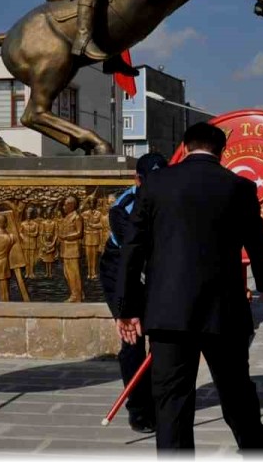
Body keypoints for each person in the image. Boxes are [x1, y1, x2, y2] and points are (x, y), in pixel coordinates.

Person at [116, 123, 263, 451]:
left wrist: (127, 308)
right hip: (224, 312)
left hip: (167, 313)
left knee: (172, 402)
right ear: (222, 151)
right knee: (237, 394)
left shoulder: (156, 184)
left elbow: (132, 248)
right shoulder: (239, 186)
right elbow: (258, 242)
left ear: (184, 147)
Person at [98, 152, 166, 435]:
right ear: (137, 180)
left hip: (159, 271)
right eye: (150, 182)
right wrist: (124, 310)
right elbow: (133, 259)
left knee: (163, 340)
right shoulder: (122, 209)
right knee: (132, 341)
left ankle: (162, 402)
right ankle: (138, 409)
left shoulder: (172, 197)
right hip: (123, 274)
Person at [58, 196, 84, 303]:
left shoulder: (76, 217)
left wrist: (66, 236)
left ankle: (76, 295)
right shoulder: (67, 217)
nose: (63, 207)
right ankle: (77, 293)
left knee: (73, 273)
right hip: (65, 248)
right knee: (67, 273)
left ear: (71, 205)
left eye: (65, 205)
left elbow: (79, 233)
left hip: (72, 248)